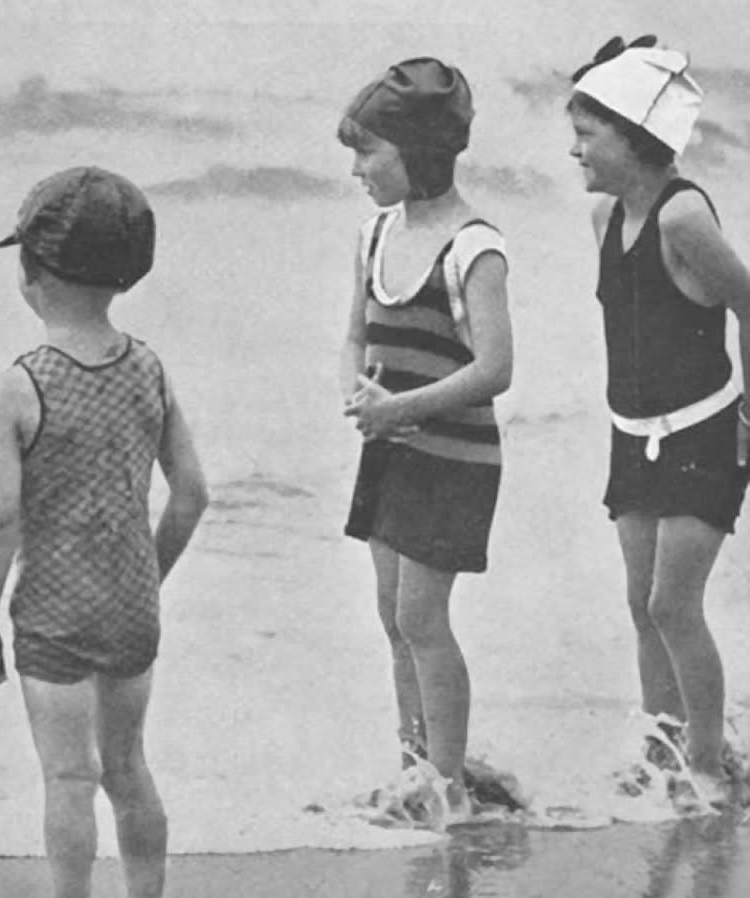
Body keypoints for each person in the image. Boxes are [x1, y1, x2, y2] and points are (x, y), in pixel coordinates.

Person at [0, 167, 209, 898]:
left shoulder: (18, 384)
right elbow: (193, 496)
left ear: (31, 272)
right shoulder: (148, 369)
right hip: (132, 606)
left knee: (69, 778)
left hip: (53, 612)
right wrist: (145, 576)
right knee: (129, 768)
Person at [567, 36, 750, 806]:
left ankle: (706, 772)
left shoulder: (682, 218)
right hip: (630, 432)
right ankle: (665, 748)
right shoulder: (606, 214)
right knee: (641, 605)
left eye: (587, 135)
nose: (574, 151)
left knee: (674, 605)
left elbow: (748, 299)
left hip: (705, 431)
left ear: (638, 136)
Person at [337, 58, 515, 823]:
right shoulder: (375, 232)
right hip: (390, 449)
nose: (357, 169)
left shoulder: (474, 245)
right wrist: (359, 392)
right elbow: (353, 336)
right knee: (390, 613)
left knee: (421, 618)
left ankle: (444, 785)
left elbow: (497, 368)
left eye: (369, 153)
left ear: (419, 152)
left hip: (454, 459)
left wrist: (402, 408)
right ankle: (414, 765)